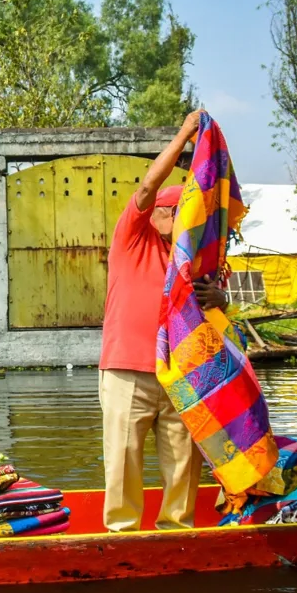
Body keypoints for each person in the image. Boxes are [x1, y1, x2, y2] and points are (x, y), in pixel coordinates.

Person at [99, 110, 229, 532]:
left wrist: (219, 299)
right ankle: (122, 533)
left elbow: (216, 322)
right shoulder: (132, 235)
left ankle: (177, 532)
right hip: (127, 372)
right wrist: (185, 135)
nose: (178, 219)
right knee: (122, 460)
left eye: (182, 212)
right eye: (173, 211)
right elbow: (148, 185)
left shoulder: (196, 264)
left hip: (180, 374)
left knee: (184, 465)